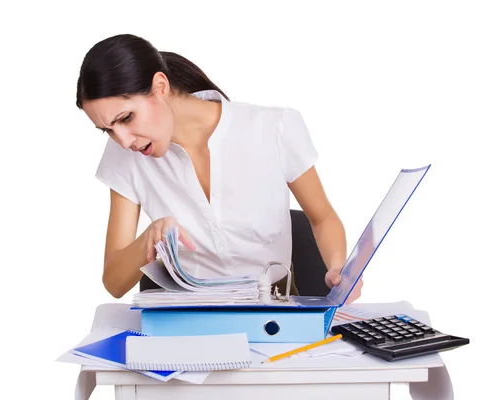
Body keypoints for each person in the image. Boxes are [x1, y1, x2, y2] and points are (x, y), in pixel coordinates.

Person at [75, 33, 363, 302]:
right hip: (186, 313)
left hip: (273, 308)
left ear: (160, 87)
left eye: (126, 118)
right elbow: (114, 283)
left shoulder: (273, 128)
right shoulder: (125, 156)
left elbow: (322, 217)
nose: (123, 141)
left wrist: (340, 270)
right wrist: (147, 240)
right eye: (107, 130)